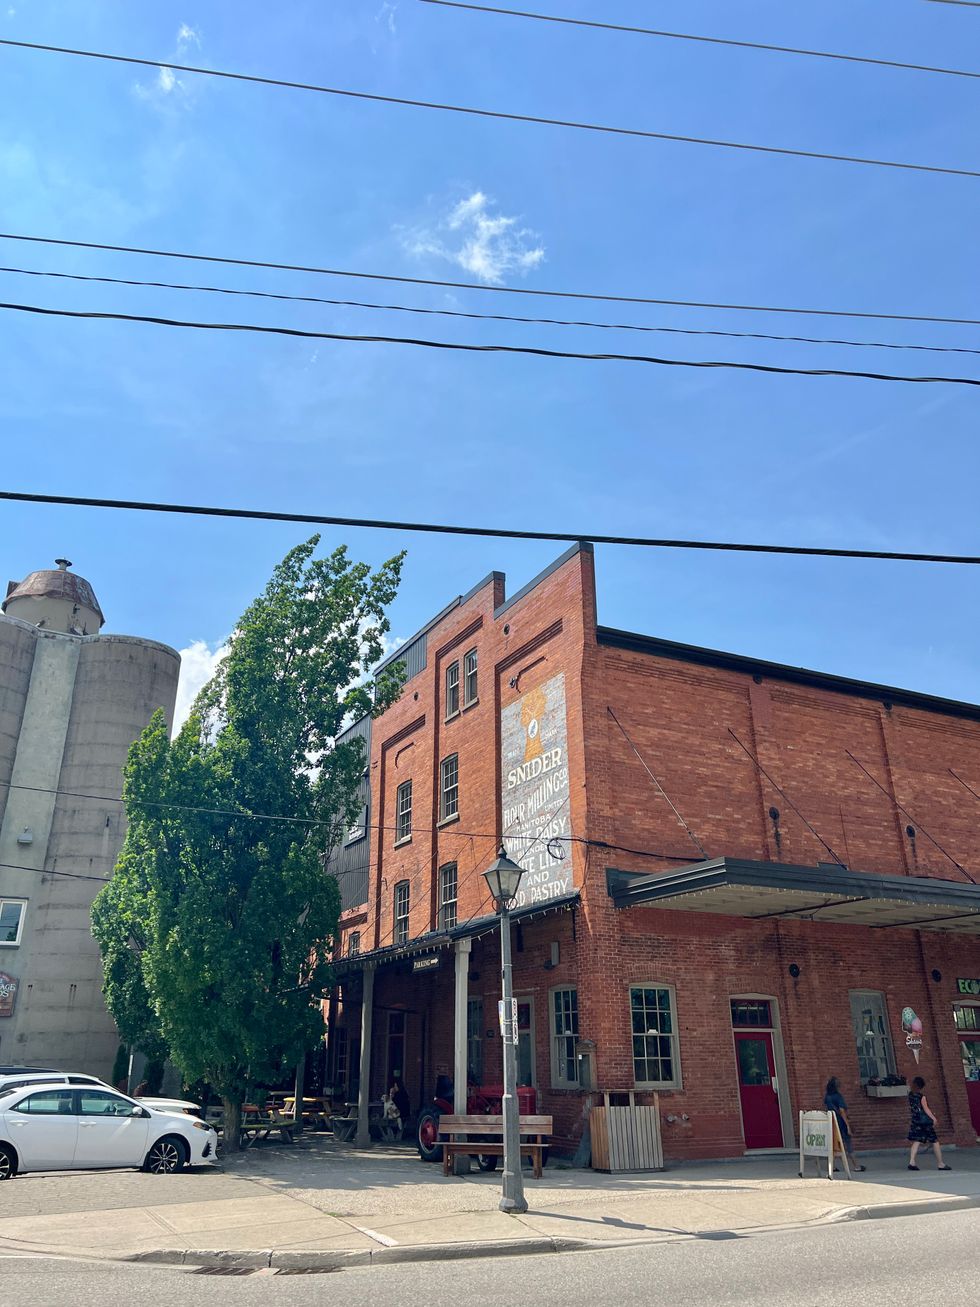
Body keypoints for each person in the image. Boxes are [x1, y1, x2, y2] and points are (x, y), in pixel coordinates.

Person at [907, 1076, 952, 1171]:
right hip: (925, 1122)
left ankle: (912, 1161)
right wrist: (933, 1118)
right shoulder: (921, 1096)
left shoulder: (910, 1095)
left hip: (916, 1120)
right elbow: (926, 1109)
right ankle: (940, 1163)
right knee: (935, 1141)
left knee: (917, 1140)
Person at [823, 1076, 866, 1172]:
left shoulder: (827, 1097)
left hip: (832, 1123)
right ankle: (856, 1166)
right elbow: (842, 1111)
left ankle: (832, 1166)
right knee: (848, 1144)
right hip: (841, 1123)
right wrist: (847, 1125)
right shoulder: (838, 1096)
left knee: (834, 1145)